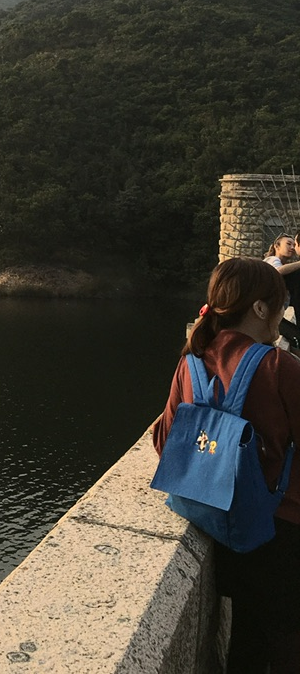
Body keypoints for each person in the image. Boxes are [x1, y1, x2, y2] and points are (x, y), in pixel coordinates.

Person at [157, 257, 300, 670]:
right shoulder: (278, 367)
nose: (283, 313)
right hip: (283, 533)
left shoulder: (190, 363)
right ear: (259, 308)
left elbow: (166, 441)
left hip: (224, 527)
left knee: (248, 641)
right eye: (281, 304)